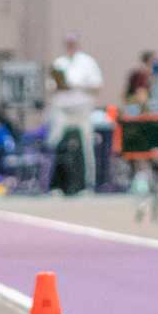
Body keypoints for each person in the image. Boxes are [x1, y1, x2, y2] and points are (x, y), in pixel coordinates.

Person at [49, 33, 104, 194]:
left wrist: (77, 86)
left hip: (81, 110)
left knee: (86, 144)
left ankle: (87, 183)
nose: (70, 46)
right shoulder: (59, 63)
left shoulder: (87, 62)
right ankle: (58, 184)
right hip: (62, 110)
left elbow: (97, 86)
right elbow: (52, 86)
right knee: (57, 142)